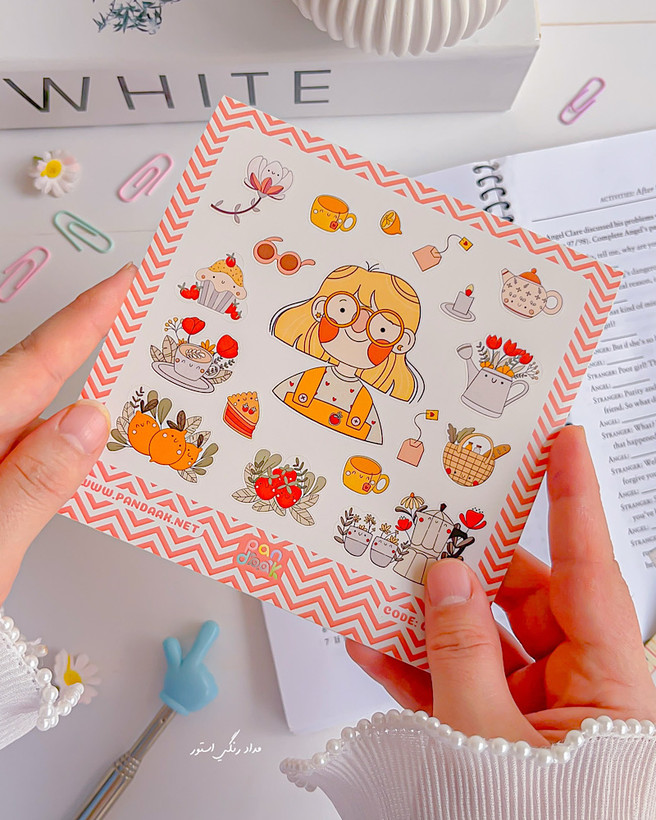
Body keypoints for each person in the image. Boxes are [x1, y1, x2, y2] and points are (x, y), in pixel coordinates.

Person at [1, 266, 655, 817]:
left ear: (395, 348)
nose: (356, 333)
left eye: (381, 330)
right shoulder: (299, 380)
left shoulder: (368, 405)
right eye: (344, 314)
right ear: (318, 316)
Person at [271, 264, 424, 445]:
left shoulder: (363, 404)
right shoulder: (305, 381)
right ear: (320, 310)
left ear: (401, 344)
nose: (358, 329)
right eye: (343, 311)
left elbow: (371, 441)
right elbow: (277, 404)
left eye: (381, 329)